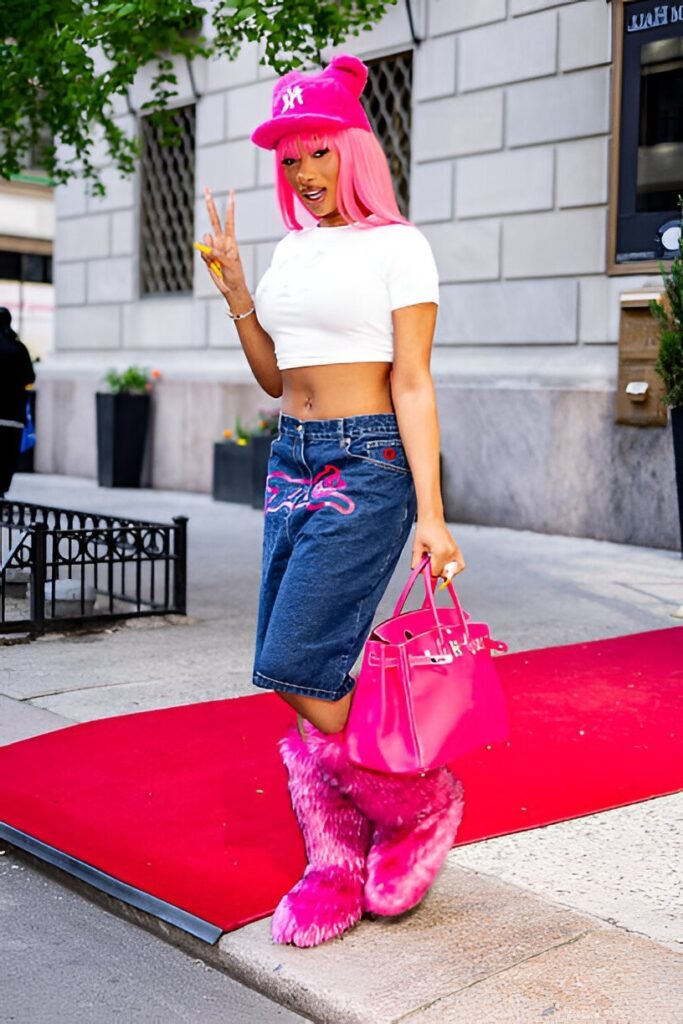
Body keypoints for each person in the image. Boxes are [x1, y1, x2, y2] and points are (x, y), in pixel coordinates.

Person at [200, 55, 466, 947]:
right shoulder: (288, 250)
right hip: (292, 456)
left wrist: (431, 512)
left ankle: (419, 805)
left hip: (367, 464)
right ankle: (339, 853)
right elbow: (280, 378)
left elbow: (415, 383)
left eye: (317, 151)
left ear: (352, 149)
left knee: (296, 661)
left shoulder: (400, 245)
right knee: (293, 666)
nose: (303, 173)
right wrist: (238, 292)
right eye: (288, 159)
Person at [0, 308, 35, 498]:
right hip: (13, 415)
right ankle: (2, 493)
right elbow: (30, 377)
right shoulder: (19, 349)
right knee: (7, 457)